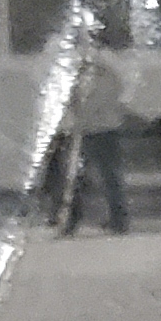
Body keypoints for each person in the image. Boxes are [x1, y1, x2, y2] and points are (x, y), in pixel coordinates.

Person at [50, 42, 128, 234]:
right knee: (96, 177)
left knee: (87, 177)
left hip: (94, 129)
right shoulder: (105, 64)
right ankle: (77, 220)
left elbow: (89, 98)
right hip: (97, 127)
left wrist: (78, 114)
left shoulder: (98, 67)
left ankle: (73, 221)